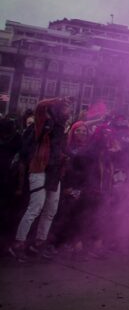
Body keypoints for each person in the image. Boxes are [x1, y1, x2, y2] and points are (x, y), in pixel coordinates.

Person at [9, 97, 72, 261]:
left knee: (51, 210)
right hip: (39, 169)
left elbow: (59, 149)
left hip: (54, 172)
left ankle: (38, 244)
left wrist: (63, 157)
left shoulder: (59, 128)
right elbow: (40, 106)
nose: (68, 111)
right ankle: (18, 245)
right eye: (65, 108)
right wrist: (58, 99)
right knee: (35, 208)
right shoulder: (42, 124)